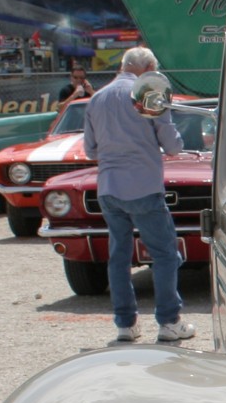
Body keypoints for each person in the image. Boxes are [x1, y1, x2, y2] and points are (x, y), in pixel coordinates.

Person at [81, 46, 193, 343]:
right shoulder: (148, 93)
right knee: (165, 254)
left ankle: (125, 324)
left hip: (108, 188)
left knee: (118, 256)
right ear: (146, 69)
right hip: (143, 185)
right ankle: (169, 321)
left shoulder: (97, 98)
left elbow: (89, 149)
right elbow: (172, 145)